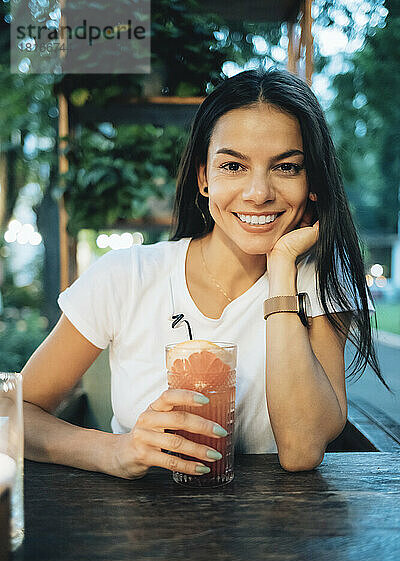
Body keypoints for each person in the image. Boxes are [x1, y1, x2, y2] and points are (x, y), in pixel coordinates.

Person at [21, 67, 389, 479]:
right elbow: (15, 411)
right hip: (141, 528)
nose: (258, 192)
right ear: (204, 177)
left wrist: (282, 266)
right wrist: (114, 452)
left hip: (273, 534)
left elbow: (301, 449)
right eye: (233, 166)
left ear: (312, 183)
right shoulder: (126, 276)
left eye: (286, 167)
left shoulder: (320, 283)